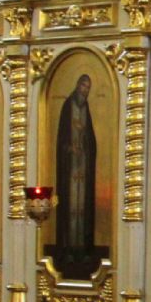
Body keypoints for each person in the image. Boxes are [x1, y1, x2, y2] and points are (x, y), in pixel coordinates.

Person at [55, 73, 98, 271]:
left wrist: (86, 147)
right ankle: (68, 249)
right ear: (77, 85)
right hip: (70, 167)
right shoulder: (68, 107)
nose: (85, 91)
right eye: (83, 86)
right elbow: (61, 138)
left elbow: (90, 138)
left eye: (88, 88)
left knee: (82, 208)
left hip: (82, 166)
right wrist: (69, 148)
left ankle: (82, 249)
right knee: (70, 207)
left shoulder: (86, 108)